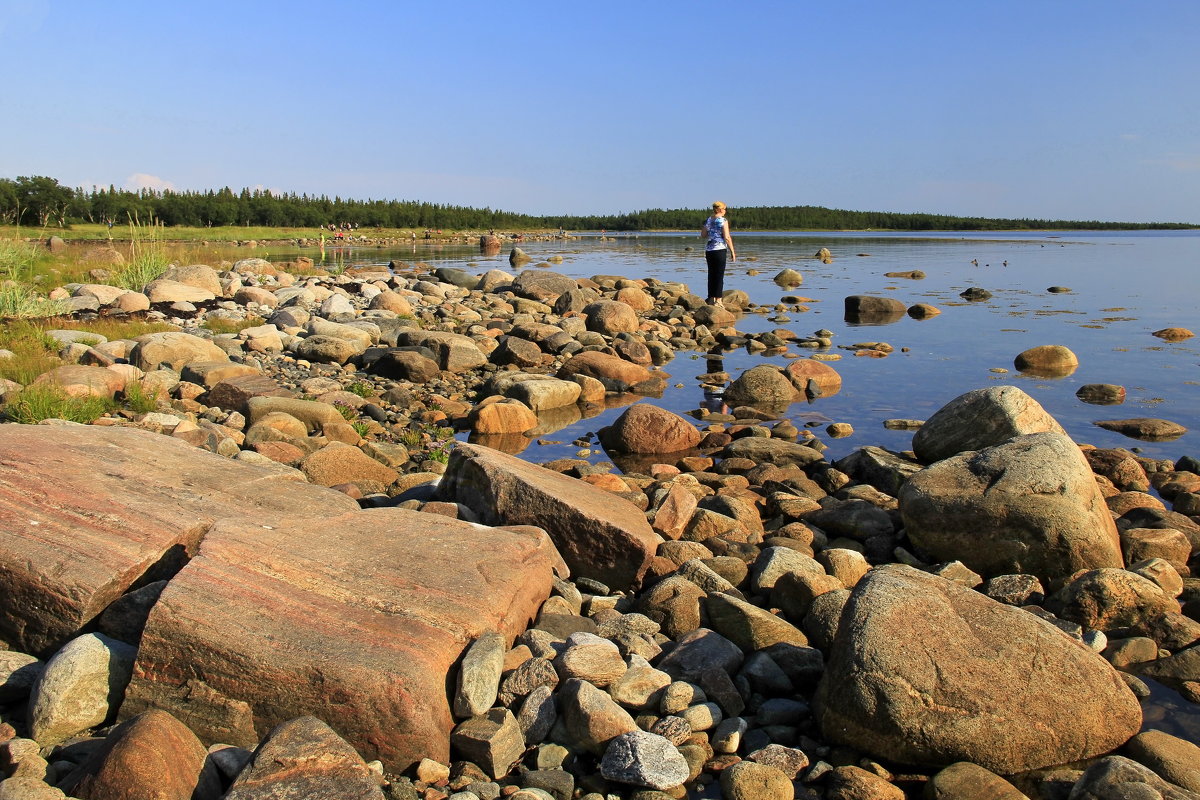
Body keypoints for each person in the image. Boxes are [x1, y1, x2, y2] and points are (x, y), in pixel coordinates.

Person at [701, 201, 736, 304]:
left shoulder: (708, 220)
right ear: (720, 209)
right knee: (719, 275)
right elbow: (727, 237)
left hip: (709, 250)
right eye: (725, 209)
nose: (725, 211)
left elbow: (703, 235)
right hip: (720, 250)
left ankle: (711, 298)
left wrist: (712, 234)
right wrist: (732, 252)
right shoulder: (723, 220)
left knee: (711, 274)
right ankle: (719, 300)